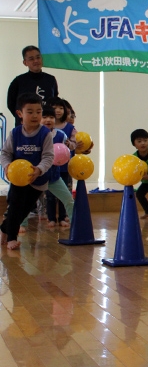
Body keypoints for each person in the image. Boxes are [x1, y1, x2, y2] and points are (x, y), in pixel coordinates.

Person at [0, 93, 54, 250]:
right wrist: (7, 166)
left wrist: (39, 169)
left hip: (37, 181)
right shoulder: (15, 133)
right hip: (18, 179)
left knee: (24, 210)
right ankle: (11, 238)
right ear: (20, 113)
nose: (35, 115)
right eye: (30, 112)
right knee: (16, 205)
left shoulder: (45, 134)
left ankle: (4, 228)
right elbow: (5, 153)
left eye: (38, 112)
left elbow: (48, 157)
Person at [7, 45, 59, 127]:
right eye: (31, 59)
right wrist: (24, 117)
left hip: (46, 126)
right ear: (25, 62)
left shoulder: (51, 80)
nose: (36, 61)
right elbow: (11, 103)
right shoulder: (18, 81)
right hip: (24, 126)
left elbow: (54, 101)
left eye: (38, 57)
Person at [41, 106, 74, 227]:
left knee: (69, 200)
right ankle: (21, 224)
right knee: (24, 202)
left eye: (51, 117)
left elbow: (67, 151)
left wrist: (70, 146)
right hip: (36, 176)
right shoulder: (35, 135)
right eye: (44, 117)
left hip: (53, 176)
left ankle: (75, 225)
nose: (48, 120)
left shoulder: (61, 135)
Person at [47, 96, 77, 222]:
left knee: (66, 195)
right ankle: (51, 218)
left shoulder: (65, 131)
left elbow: (72, 145)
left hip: (61, 168)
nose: (58, 110)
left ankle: (68, 219)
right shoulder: (41, 131)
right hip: (44, 170)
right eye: (55, 108)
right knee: (48, 196)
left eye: (61, 108)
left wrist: (71, 145)